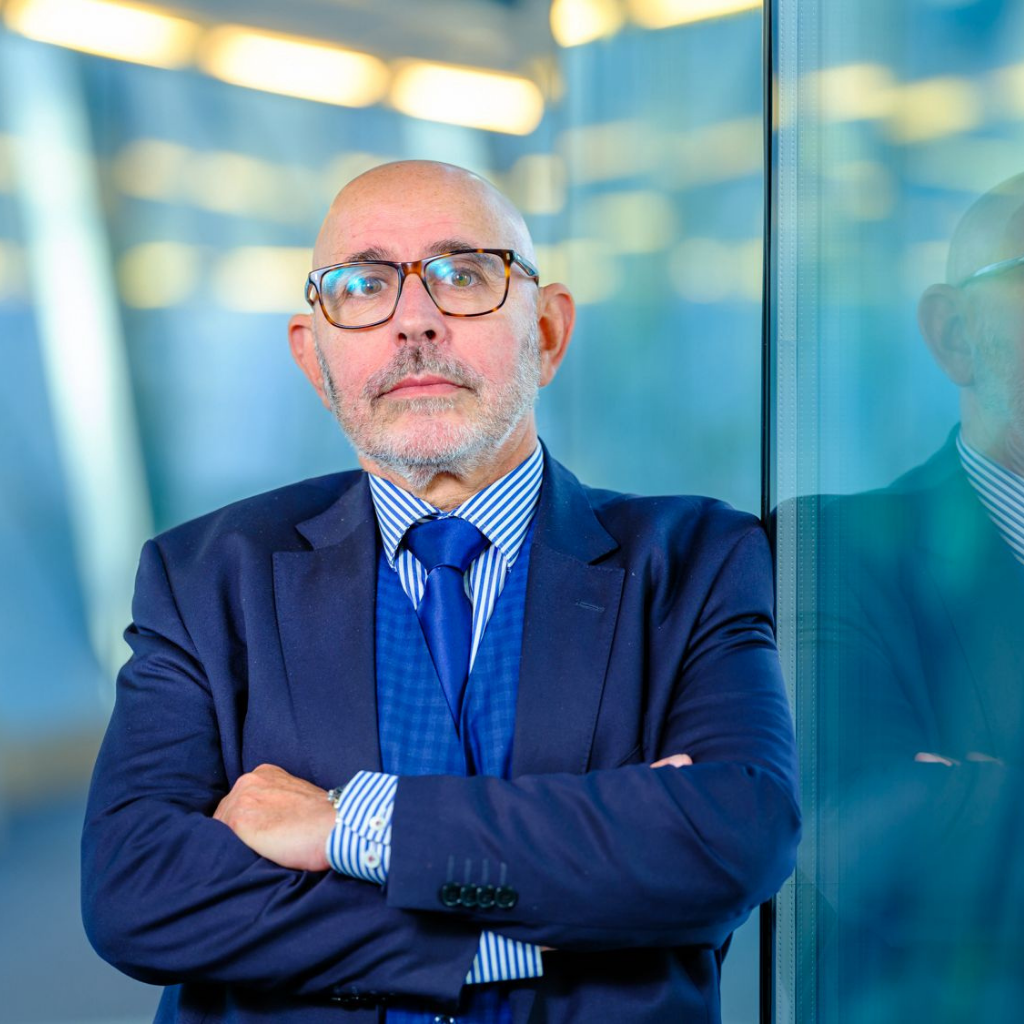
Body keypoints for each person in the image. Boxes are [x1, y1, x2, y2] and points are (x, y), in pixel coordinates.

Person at [82, 160, 800, 1024]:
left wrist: (349, 824)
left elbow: (732, 834)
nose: (414, 322)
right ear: (315, 357)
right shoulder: (204, 576)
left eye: (464, 275)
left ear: (547, 331)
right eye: (362, 286)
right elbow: (137, 888)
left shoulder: (694, 559)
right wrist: (519, 934)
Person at [807, 174, 1024, 1023]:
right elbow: (878, 847)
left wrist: (980, 792)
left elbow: (968, 825)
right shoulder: (830, 551)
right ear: (955, 333)